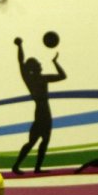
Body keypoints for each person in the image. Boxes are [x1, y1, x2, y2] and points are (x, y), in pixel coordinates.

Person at [11, 37, 66, 175]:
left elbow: (62, 76)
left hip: (45, 112)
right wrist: (20, 46)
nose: (41, 64)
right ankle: (18, 166)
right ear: (33, 67)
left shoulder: (40, 78)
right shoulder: (33, 78)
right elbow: (21, 62)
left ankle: (35, 167)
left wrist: (55, 62)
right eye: (37, 63)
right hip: (42, 112)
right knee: (33, 142)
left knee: (43, 141)